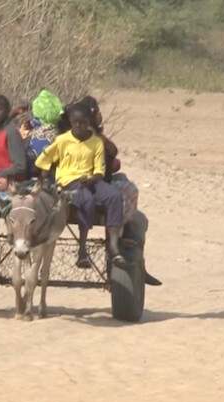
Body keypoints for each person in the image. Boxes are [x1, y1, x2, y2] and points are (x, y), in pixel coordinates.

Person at [68, 96, 162, 286]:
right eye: (96, 112)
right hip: (93, 186)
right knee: (137, 217)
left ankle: (135, 263)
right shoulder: (93, 139)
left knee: (123, 183)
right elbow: (111, 157)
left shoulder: (69, 135)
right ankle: (133, 260)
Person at [34, 103, 126, 268]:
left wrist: (91, 179)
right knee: (87, 200)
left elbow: (99, 171)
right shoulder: (62, 141)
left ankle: (113, 246)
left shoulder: (96, 142)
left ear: (89, 122)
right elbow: (44, 161)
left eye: (82, 122)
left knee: (115, 196)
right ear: (70, 122)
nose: (78, 125)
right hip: (69, 182)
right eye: (75, 122)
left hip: (92, 180)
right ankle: (82, 250)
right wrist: (43, 181)